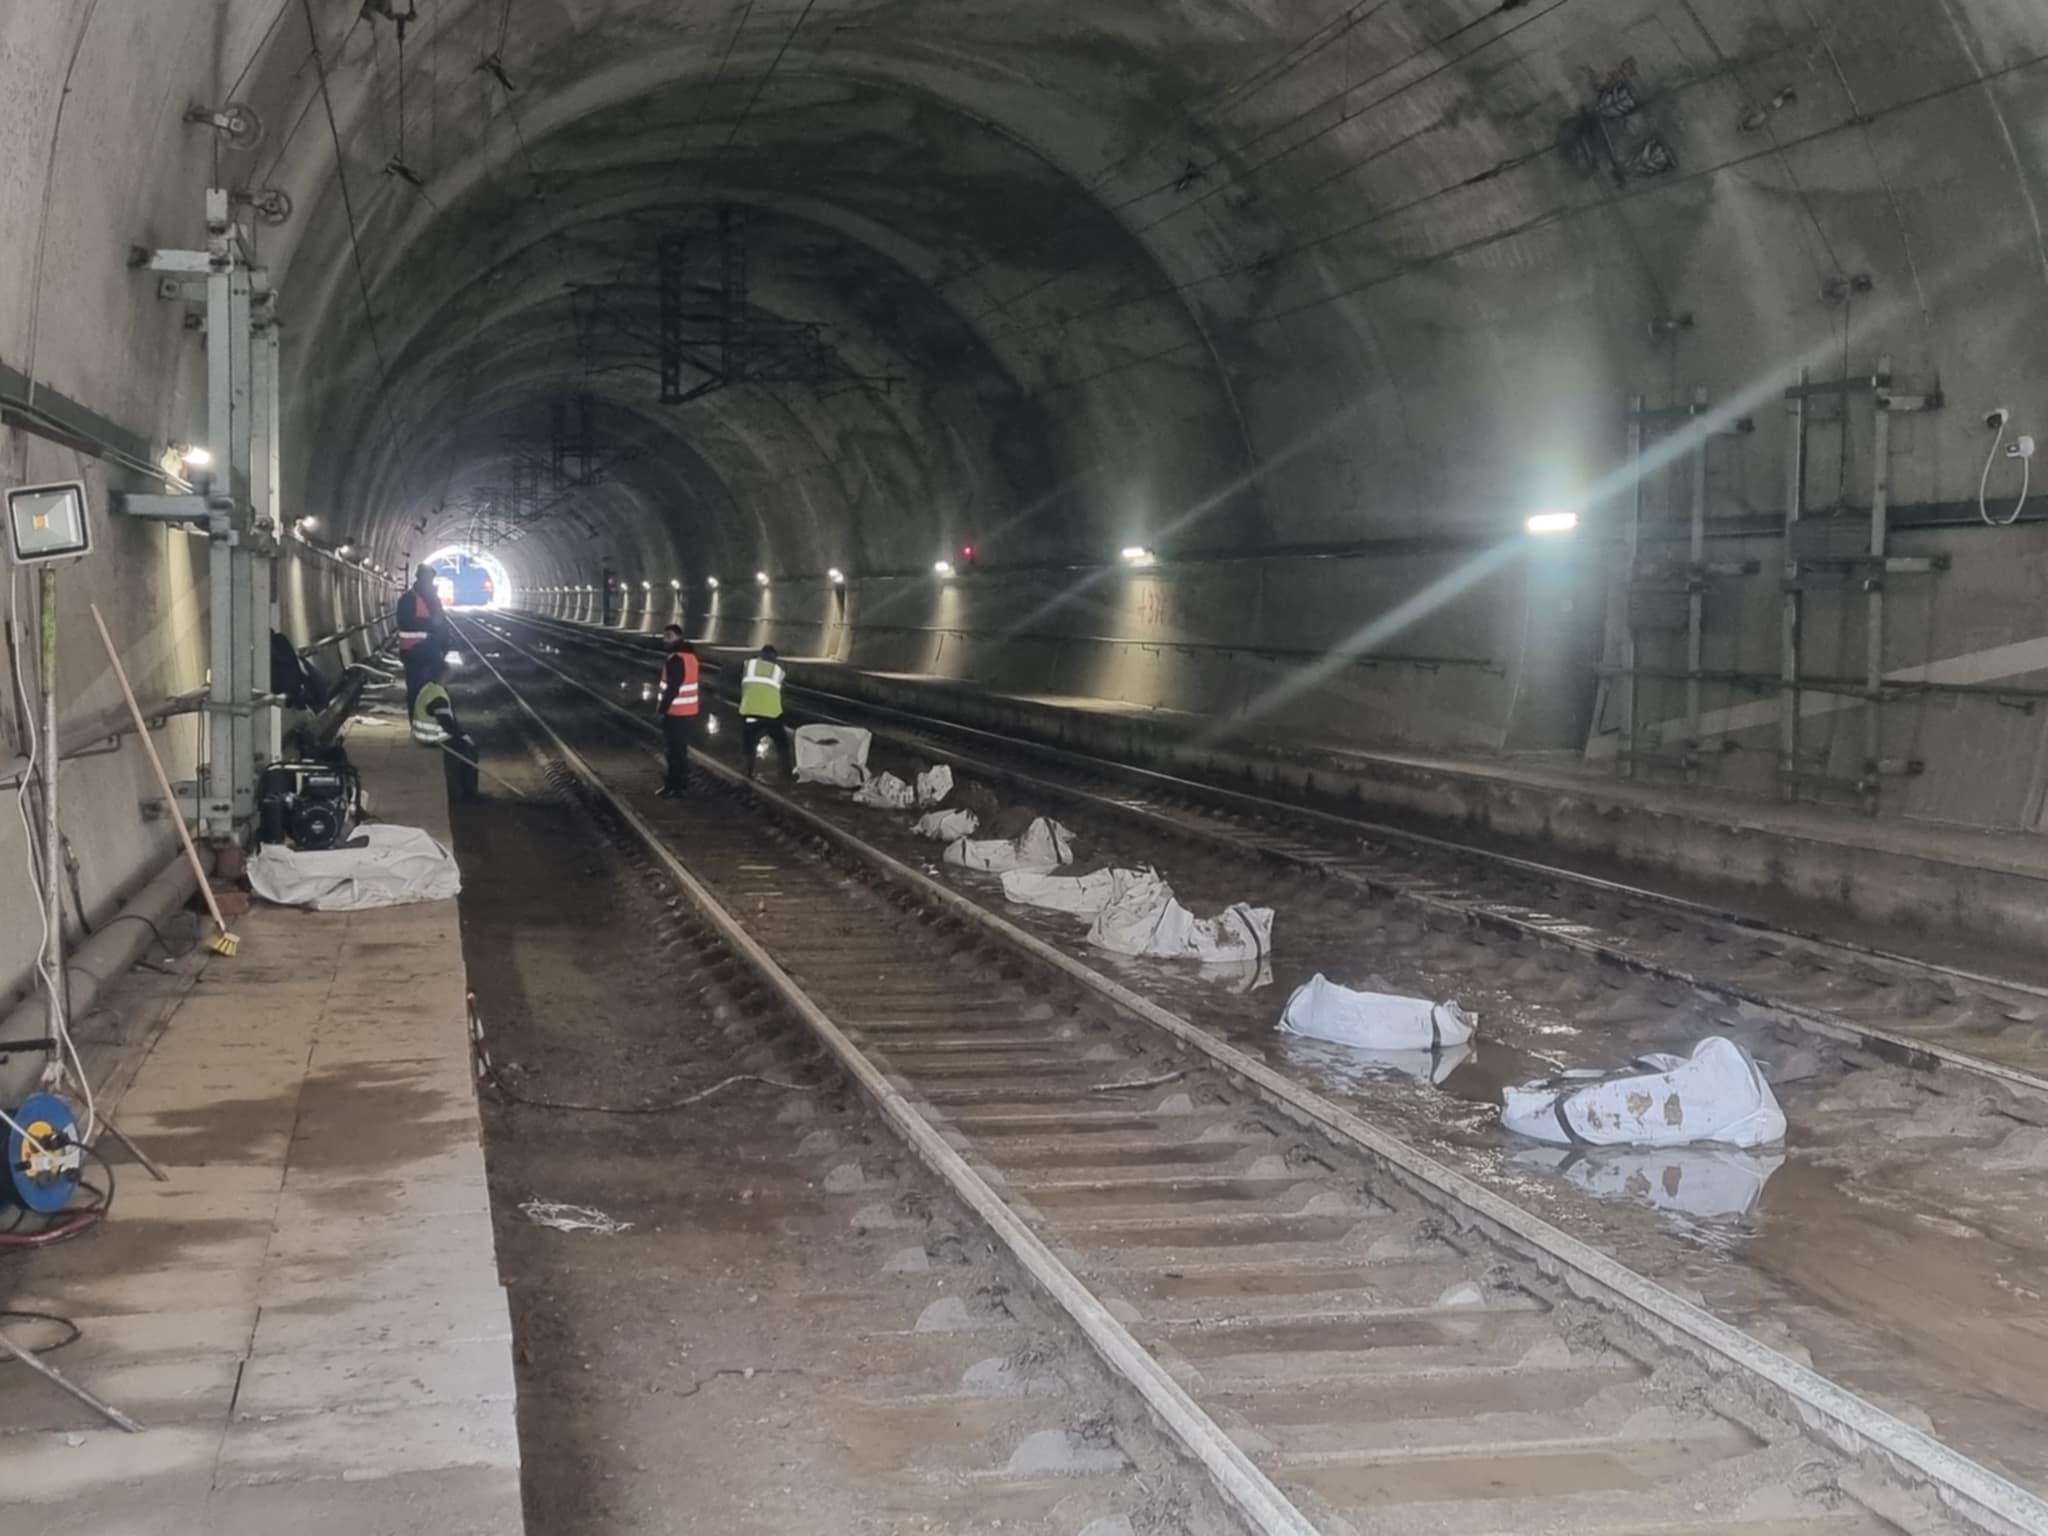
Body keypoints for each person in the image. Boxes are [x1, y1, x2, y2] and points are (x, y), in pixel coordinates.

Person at [411, 652, 481, 801]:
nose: (453, 674)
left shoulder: (429, 687)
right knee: (469, 751)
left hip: (421, 733)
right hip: (431, 737)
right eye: (450, 671)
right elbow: (447, 724)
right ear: (444, 674)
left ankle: (468, 790)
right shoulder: (438, 696)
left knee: (464, 743)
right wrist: (464, 737)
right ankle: (470, 794)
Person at [655, 625, 699, 797]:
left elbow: (673, 688)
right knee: (679, 751)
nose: (665, 639)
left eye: (669, 636)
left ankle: (674, 786)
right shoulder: (690, 657)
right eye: (664, 636)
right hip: (687, 711)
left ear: (678, 637)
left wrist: (661, 710)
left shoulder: (676, 659)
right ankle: (679, 784)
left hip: (675, 713)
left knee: (674, 752)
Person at [395, 564, 448, 710]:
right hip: (423, 652)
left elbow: (440, 624)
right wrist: (443, 645)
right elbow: (439, 624)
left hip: (414, 652)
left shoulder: (407, 599)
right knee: (426, 690)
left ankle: (419, 723)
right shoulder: (427, 599)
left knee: (417, 691)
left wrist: (443, 646)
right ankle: (424, 723)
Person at [738, 643, 789, 782]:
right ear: (774, 657)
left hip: (750, 712)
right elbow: (782, 690)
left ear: (761, 655)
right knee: (782, 742)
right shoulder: (779, 671)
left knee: (749, 743)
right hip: (772, 714)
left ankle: (747, 772)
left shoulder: (749, 666)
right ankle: (786, 772)